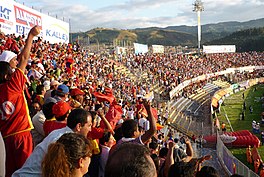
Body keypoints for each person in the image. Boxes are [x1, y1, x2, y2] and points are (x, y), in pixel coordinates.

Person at [0, 25, 40, 177]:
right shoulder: (13, 84)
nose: (17, 64)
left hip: (4, 139)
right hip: (21, 135)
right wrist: (30, 35)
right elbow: (24, 58)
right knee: (26, 172)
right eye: (13, 62)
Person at [12, 108, 93, 177]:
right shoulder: (63, 141)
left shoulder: (59, 133)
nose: (90, 130)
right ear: (79, 126)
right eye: (89, 125)